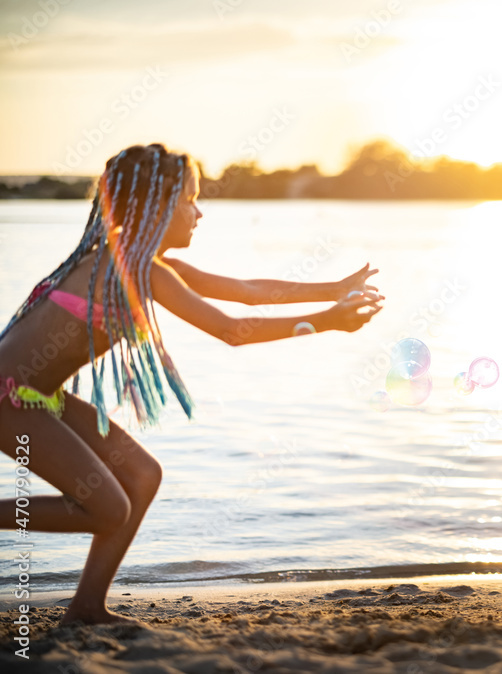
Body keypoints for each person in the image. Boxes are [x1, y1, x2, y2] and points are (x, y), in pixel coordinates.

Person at [0, 144, 383, 625]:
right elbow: (231, 330)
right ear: (157, 206)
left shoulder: (143, 265)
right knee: (108, 509)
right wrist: (327, 321)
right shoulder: (129, 269)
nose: (199, 212)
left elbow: (247, 290)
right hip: (8, 398)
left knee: (141, 476)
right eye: (190, 199)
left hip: (38, 396)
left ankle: (87, 608)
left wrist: (333, 291)